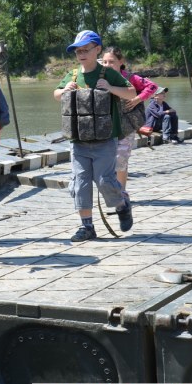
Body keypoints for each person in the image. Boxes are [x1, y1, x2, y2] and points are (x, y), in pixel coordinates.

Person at [53, 30, 136, 242]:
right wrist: (64, 90)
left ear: (97, 49)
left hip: (105, 140)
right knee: (80, 183)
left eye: (85, 50)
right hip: (78, 141)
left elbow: (131, 93)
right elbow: (56, 94)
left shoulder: (108, 73)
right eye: (77, 51)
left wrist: (110, 87)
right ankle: (87, 226)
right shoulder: (72, 75)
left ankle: (122, 205)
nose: (81, 54)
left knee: (104, 181)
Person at [100, 46, 160, 196]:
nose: (107, 65)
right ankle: (112, 191)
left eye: (111, 62)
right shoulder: (100, 77)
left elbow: (152, 86)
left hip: (126, 124)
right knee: (106, 160)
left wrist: (137, 99)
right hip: (106, 125)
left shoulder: (130, 78)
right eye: (105, 62)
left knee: (121, 158)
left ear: (121, 62)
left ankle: (121, 193)